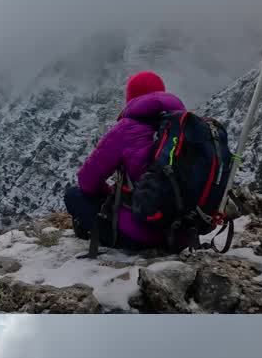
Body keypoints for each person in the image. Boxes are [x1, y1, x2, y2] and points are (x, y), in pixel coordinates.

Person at [65, 71, 189, 251]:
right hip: (183, 236)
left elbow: (87, 180)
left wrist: (108, 193)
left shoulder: (126, 129)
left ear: (131, 98)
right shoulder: (186, 127)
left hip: (143, 236)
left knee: (74, 195)